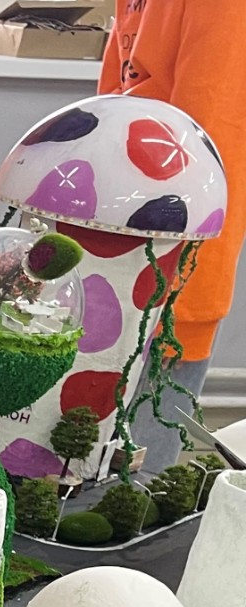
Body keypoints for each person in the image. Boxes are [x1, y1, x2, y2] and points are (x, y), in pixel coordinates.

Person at [102, 1, 246, 472]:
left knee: (131, 479)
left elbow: (207, 141)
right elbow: (114, 101)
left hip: (173, 258)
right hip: (116, 239)